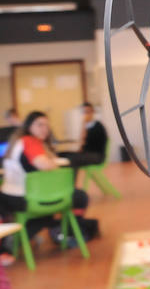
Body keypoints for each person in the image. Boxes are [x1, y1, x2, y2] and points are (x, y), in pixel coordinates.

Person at [0, 111, 91, 263]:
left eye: (47, 126)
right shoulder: (30, 141)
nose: (44, 129)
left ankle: (14, 242)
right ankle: (65, 231)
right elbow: (44, 164)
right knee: (78, 197)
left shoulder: (22, 141)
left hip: (19, 196)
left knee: (47, 211)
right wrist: (54, 163)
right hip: (25, 197)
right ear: (29, 126)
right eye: (39, 124)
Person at [57, 103, 108, 168]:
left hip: (97, 156)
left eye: (87, 112)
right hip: (87, 154)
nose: (86, 114)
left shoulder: (98, 126)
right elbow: (82, 144)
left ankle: (70, 177)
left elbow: (83, 141)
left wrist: (83, 124)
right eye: (84, 112)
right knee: (61, 154)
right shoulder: (87, 126)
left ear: (92, 112)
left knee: (71, 158)